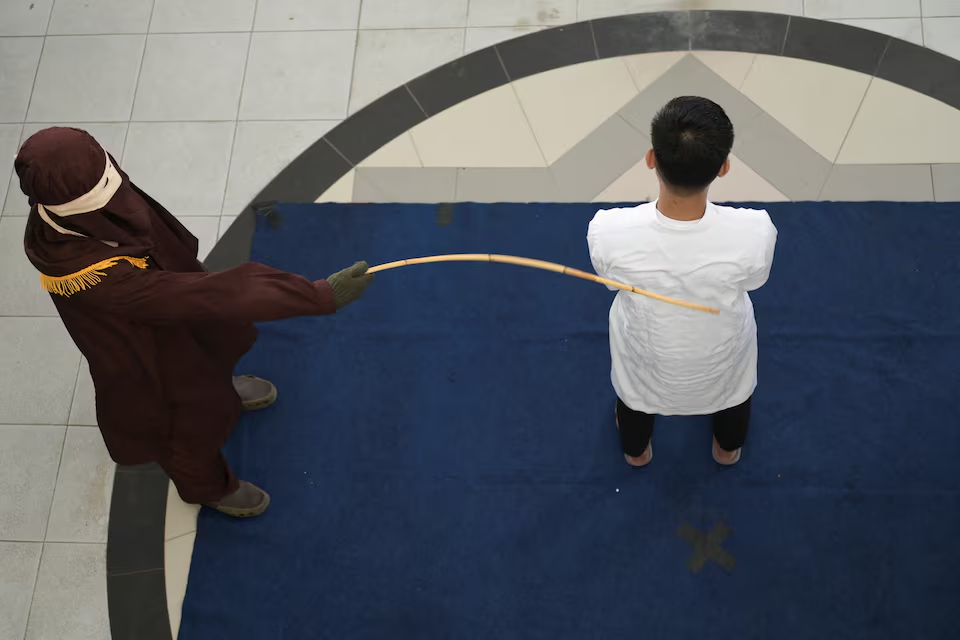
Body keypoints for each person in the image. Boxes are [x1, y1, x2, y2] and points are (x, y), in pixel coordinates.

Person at [17, 127, 374, 517]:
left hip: (170, 310)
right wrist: (316, 294)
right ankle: (208, 487)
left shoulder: (76, 215)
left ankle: (223, 385)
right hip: (148, 353)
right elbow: (214, 294)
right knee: (188, 424)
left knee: (211, 350)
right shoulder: (99, 278)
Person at [587, 96, 777, 468]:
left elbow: (611, 284)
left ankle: (636, 453)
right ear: (724, 167)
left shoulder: (607, 231)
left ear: (651, 158)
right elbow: (755, 282)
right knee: (734, 395)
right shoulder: (755, 231)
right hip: (722, 363)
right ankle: (727, 449)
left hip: (645, 364)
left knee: (635, 399)